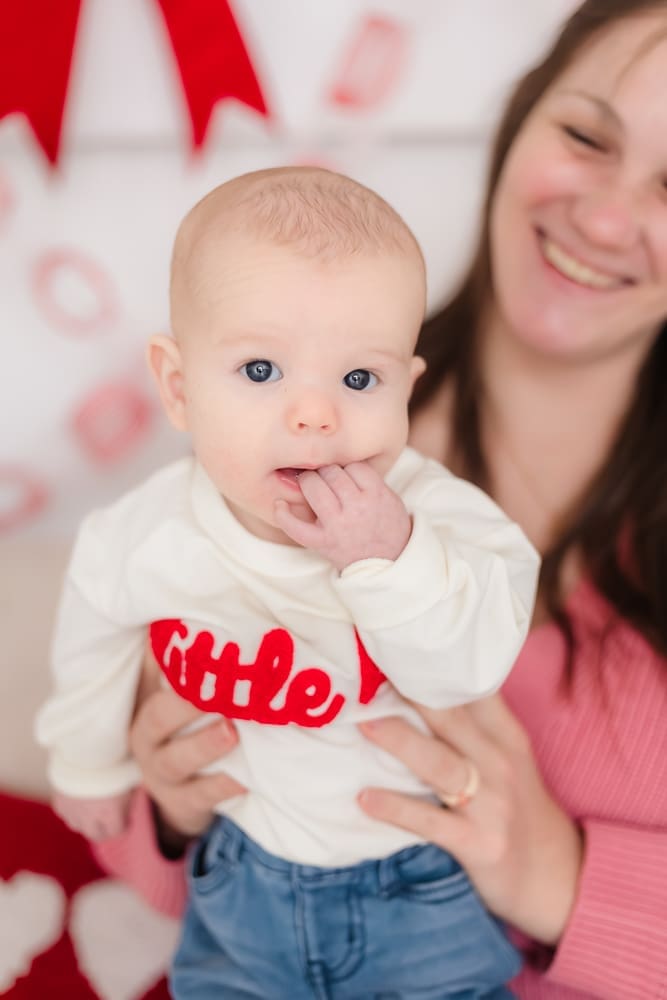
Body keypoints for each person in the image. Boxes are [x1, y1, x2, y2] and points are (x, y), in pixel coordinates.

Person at [95, 1, 667, 996]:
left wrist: (562, 874)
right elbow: (160, 884)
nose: (606, 217)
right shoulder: (261, 453)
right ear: (516, 124)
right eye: (583, 136)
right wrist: (171, 808)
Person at [36, 166, 540, 998]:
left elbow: (466, 667)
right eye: (262, 371)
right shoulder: (146, 534)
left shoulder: (444, 522)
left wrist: (389, 554)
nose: (315, 416)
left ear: (406, 391)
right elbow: (92, 632)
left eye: (358, 380)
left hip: (415, 878)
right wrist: (88, 762)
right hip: (241, 870)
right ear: (178, 386)